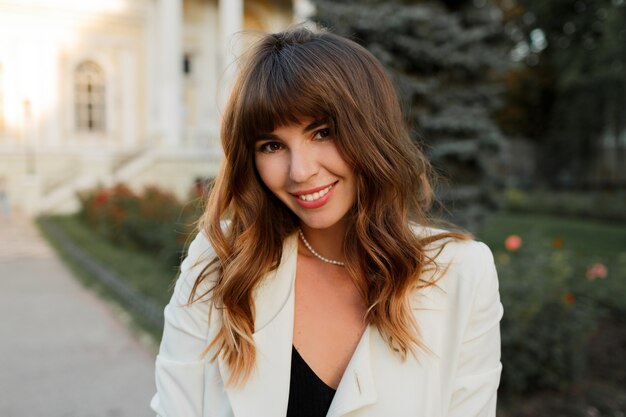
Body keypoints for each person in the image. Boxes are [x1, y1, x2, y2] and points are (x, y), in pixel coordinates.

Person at [151, 27, 503, 417]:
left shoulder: (462, 274)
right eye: (271, 145)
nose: (300, 172)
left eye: (322, 132)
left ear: (370, 133)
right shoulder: (221, 260)